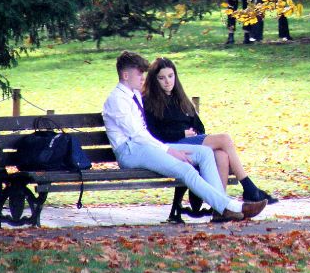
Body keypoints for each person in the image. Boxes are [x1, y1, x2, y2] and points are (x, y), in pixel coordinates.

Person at [101, 50, 264, 222]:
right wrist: (169, 150)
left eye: (143, 72)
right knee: (186, 169)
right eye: (139, 73)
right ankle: (231, 207)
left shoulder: (133, 94)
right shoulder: (117, 99)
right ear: (125, 75)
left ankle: (221, 208)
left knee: (204, 153)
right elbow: (137, 135)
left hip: (144, 147)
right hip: (130, 151)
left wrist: (168, 148)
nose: (143, 77)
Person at [143, 57, 279, 204]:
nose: (167, 81)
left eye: (170, 76)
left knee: (221, 155)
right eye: (162, 78)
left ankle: (220, 206)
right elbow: (155, 134)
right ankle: (250, 189)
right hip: (172, 146)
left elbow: (199, 126)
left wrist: (193, 132)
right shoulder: (150, 102)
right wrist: (181, 133)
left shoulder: (180, 98)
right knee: (224, 139)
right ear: (154, 79)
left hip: (192, 142)